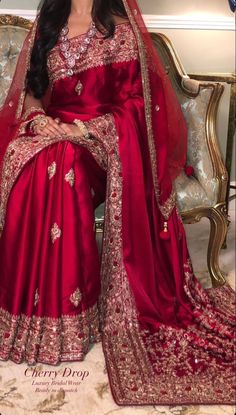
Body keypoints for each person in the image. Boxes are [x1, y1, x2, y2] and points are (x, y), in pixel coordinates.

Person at [0, 0, 235, 406]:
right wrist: (42, 122)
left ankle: (70, 318)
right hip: (52, 130)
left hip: (97, 144)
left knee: (64, 163)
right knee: (36, 162)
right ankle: (25, 314)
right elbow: (33, 96)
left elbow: (137, 109)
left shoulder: (120, 29)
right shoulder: (49, 23)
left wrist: (82, 129)